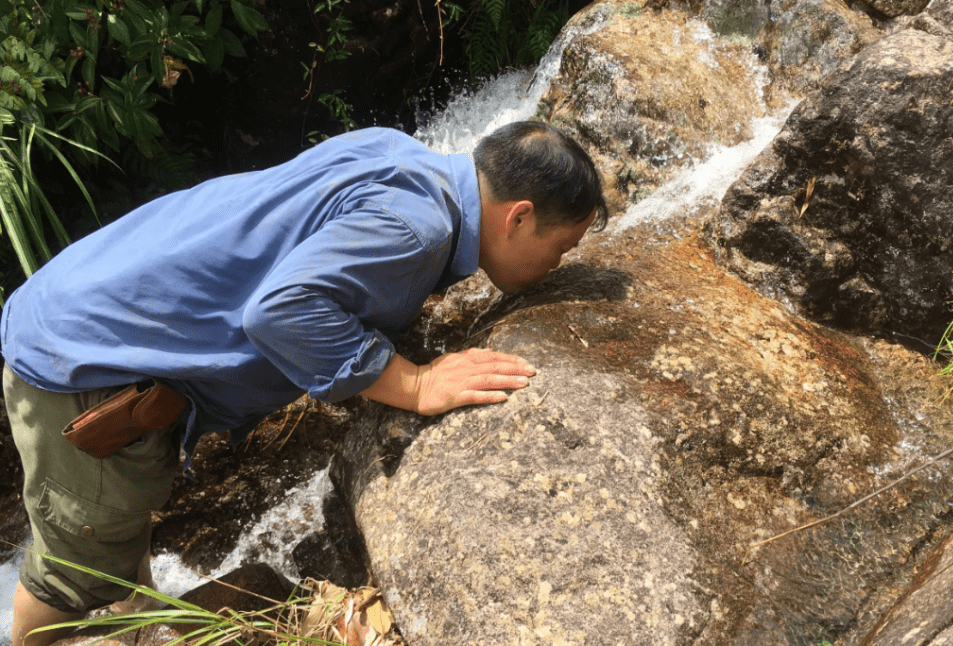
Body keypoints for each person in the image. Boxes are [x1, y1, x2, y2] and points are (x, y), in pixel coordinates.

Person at [2, 120, 608, 645]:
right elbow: (280, 310)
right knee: (72, 575)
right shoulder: (418, 230)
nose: (558, 264)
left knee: (111, 531)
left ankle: (140, 623)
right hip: (83, 368)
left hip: (82, 302)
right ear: (518, 217)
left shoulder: (400, 154)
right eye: (561, 247)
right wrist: (415, 383)